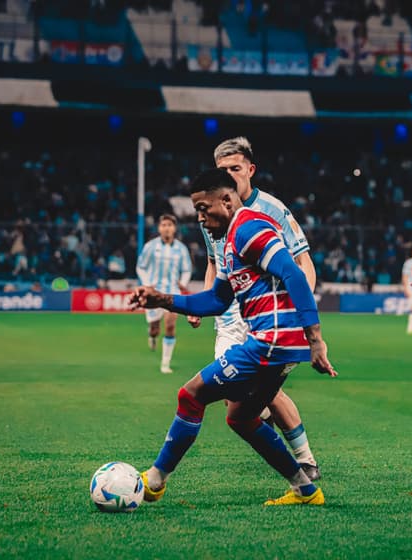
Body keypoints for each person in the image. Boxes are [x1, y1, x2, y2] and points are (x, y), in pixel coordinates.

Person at [130, 168, 337, 506]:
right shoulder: (228, 241)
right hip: (280, 344)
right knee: (240, 417)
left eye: (203, 208)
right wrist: (161, 298)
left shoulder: (249, 227)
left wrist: (316, 338)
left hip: (272, 340)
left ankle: (154, 481)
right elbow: (216, 300)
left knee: (191, 395)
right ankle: (305, 490)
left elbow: (293, 273)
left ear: (226, 201)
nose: (199, 217)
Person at [188, 136, 323, 481]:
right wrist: (200, 301)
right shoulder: (213, 209)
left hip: (268, 316)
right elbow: (214, 263)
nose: (230, 175)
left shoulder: (273, 210)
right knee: (240, 396)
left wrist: (297, 309)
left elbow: (302, 263)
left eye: (235, 168)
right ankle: (297, 460)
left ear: (250, 170)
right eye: (223, 170)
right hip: (231, 318)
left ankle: (304, 462)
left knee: (257, 395)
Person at [136, 214, 193, 374]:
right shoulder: (150, 246)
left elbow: (187, 269)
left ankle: (165, 363)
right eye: (163, 225)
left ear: (174, 228)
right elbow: (141, 266)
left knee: (170, 325)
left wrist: (184, 282)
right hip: (153, 294)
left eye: (169, 225)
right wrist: (147, 283)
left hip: (172, 293)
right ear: (159, 228)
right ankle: (152, 335)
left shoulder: (181, 248)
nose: (166, 228)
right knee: (155, 328)